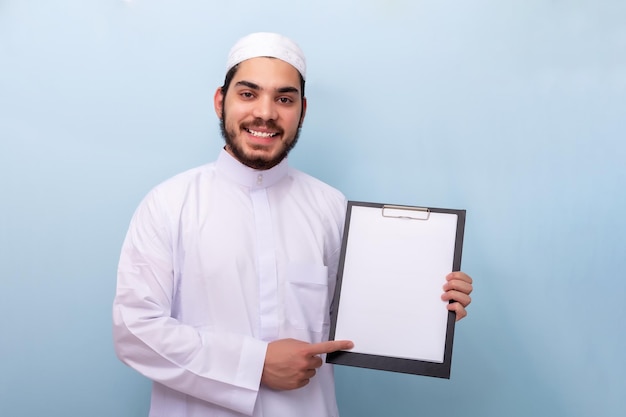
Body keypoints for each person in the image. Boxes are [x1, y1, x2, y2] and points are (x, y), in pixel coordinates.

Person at [112, 32, 473, 417]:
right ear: (221, 101)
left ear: (302, 109)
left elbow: (355, 317)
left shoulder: (329, 206)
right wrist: (255, 363)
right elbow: (135, 331)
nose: (265, 113)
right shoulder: (169, 203)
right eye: (248, 94)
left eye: (284, 99)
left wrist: (431, 302)